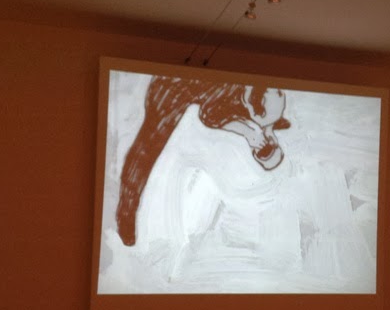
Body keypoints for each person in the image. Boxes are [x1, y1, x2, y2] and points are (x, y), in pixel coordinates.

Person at [116, 76, 291, 246]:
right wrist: (248, 132)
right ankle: (126, 213)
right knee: (147, 149)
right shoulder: (226, 92)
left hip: (209, 89)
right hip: (170, 87)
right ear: (248, 104)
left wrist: (268, 134)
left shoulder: (255, 92)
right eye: (264, 124)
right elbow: (209, 116)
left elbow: (255, 114)